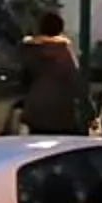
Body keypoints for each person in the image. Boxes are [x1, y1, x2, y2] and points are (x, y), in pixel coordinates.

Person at [19, 8, 89, 137]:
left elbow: (24, 80)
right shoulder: (65, 52)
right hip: (61, 113)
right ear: (60, 28)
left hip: (36, 112)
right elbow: (76, 81)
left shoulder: (30, 50)